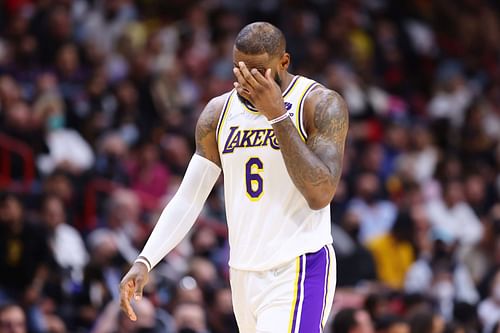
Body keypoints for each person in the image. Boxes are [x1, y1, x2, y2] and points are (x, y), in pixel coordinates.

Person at [120, 22, 348, 333]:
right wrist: (146, 260)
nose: (246, 81)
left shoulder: (318, 104)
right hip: (242, 272)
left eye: (257, 71)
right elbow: (189, 197)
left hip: (298, 266)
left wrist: (277, 116)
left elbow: (320, 193)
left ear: (284, 62)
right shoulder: (218, 113)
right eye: (239, 70)